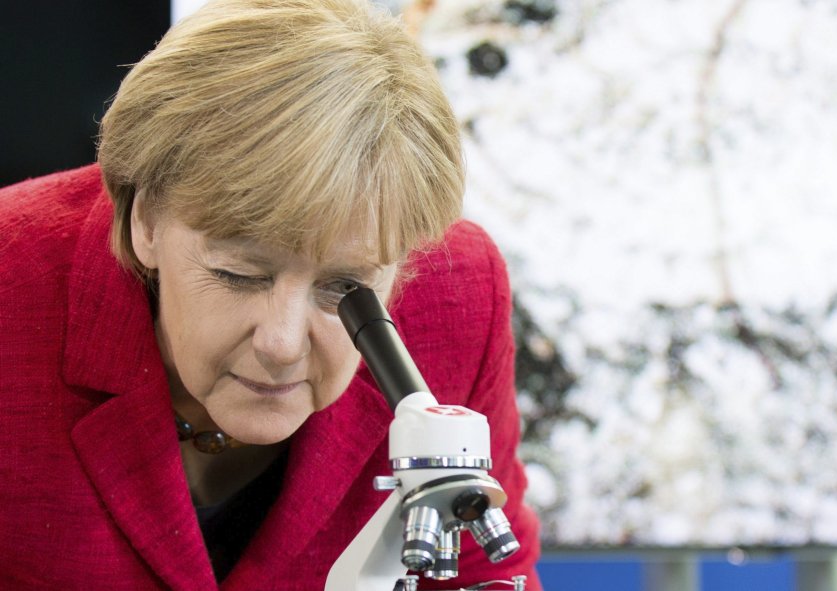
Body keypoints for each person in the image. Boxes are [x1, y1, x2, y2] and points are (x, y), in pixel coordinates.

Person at [0, 0, 541, 588]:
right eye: (240, 274)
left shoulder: (457, 295)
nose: (282, 344)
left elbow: (485, 566)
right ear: (146, 221)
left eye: (345, 287)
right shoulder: (13, 289)